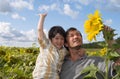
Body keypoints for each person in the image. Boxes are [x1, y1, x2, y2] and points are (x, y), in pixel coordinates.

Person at [32, 13, 68, 79]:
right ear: (51, 39)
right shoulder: (46, 45)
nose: (59, 41)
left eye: (62, 39)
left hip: (54, 76)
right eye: (56, 38)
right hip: (40, 75)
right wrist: (42, 17)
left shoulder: (64, 51)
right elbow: (40, 30)